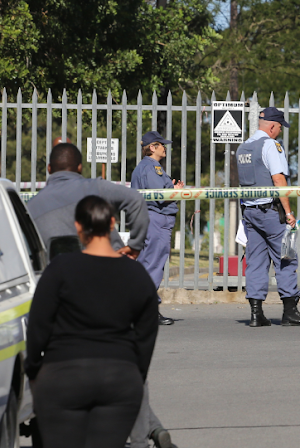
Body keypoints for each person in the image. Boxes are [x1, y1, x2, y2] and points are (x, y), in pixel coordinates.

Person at [28, 143, 177, 448]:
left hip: (63, 362)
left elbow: (38, 329)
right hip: (119, 372)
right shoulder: (134, 276)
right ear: (110, 223)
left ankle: (151, 429)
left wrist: (34, 372)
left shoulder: (33, 212)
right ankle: (144, 435)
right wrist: (135, 246)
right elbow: (144, 342)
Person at [237, 106, 300, 327]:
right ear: (272, 126)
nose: (279, 132)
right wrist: (289, 213)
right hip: (272, 213)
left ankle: (256, 314)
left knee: (255, 262)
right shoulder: (270, 146)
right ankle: (290, 312)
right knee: (286, 259)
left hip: (250, 214)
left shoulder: (243, 147)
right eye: (279, 128)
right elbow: (279, 180)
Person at [27, 143, 148, 259]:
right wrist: (135, 245)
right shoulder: (97, 188)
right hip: (108, 268)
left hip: (62, 276)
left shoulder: (31, 207)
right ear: (80, 167)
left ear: (49, 168)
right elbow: (136, 199)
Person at [131, 130, 184, 326]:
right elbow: (159, 195)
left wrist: (170, 188)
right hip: (157, 220)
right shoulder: (153, 168)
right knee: (153, 265)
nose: (164, 148)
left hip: (148, 218)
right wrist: (174, 190)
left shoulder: (143, 168)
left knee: (146, 264)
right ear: (152, 147)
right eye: (161, 145)